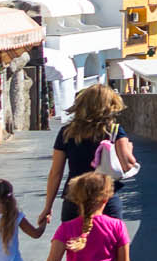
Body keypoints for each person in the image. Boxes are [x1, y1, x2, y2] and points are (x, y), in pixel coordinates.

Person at [38, 84, 137, 230]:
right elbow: (128, 164)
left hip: (74, 197)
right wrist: (129, 147)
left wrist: (48, 206)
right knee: (110, 248)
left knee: (74, 248)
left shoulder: (67, 132)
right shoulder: (114, 130)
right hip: (104, 198)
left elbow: (55, 173)